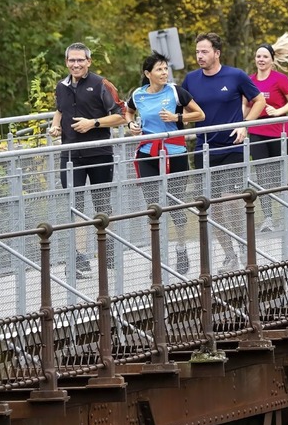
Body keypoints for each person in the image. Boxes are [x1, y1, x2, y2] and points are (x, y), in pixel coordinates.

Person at [181, 33, 266, 272]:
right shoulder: (190, 80)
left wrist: (245, 124)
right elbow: (180, 106)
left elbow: (258, 100)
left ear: (217, 53)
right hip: (204, 149)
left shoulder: (235, 75)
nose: (200, 56)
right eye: (197, 51)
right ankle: (229, 255)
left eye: (205, 51)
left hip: (232, 146)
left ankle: (243, 247)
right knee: (214, 205)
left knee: (232, 201)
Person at [49, 42, 126, 276]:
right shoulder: (61, 86)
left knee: (102, 204)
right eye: (71, 60)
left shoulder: (101, 84)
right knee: (75, 207)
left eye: (80, 60)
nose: (76, 64)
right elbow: (60, 110)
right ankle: (79, 259)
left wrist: (93, 123)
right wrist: (54, 126)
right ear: (66, 62)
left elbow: (121, 116)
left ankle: (108, 252)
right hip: (70, 155)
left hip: (99, 152)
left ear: (89, 62)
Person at [125, 52, 205, 275]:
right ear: (147, 74)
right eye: (159, 69)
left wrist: (177, 118)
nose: (164, 73)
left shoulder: (175, 92)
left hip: (175, 152)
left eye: (165, 68)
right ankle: (157, 258)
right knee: (154, 208)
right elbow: (128, 112)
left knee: (176, 205)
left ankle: (180, 248)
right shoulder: (138, 94)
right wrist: (131, 125)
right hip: (147, 153)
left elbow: (200, 114)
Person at [247, 33, 288, 233]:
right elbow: (245, 105)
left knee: (279, 174)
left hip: (278, 130)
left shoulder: (280, 79)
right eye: (258, 56)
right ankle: (268, 217)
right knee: (262, 174)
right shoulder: (250, 80)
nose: (261, 60)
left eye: (264, 57)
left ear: (271, 60)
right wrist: (242, 122)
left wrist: (277, 112)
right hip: (257, 130)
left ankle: (287, 212)